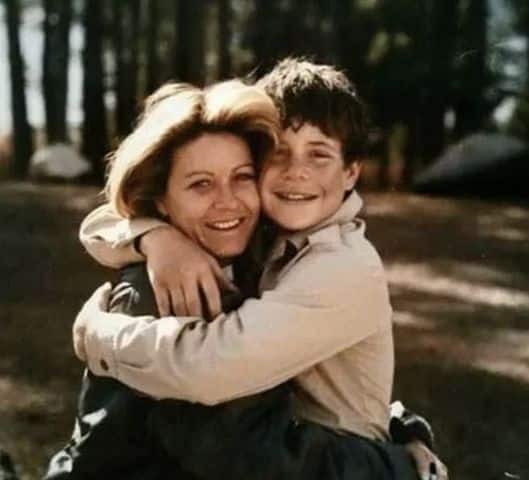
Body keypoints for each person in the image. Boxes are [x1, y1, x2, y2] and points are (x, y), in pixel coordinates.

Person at [72, 58, 447, 480]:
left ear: (351, 173)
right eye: (278, 153)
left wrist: (98, 336)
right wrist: (156, 237)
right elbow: (104, 219)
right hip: (274, 448)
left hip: (332, 462)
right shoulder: (265, 234)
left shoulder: (344, 265)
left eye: (319, 154)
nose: (296, 171)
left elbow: (210, 368)